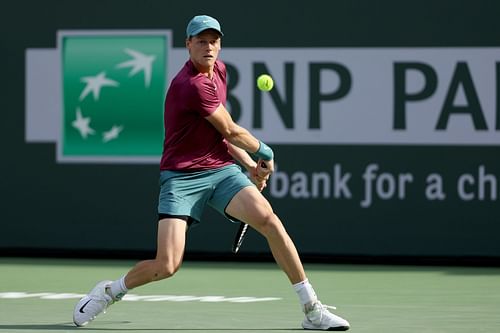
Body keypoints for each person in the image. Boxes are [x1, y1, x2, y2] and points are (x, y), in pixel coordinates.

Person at [72, 14, 350, 331]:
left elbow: (218, 135)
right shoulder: (190, 85)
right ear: (188, 44)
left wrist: (247, 165)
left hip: (219, 171)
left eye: (213, 41)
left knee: (270, 221)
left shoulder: (219, 71)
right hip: (180, 179)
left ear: (219, 45)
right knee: (167, 265)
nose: (208, 47)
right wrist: (265, 154)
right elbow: (231, 130)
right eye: (201, 41)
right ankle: (110, 292)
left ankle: (312, 310)